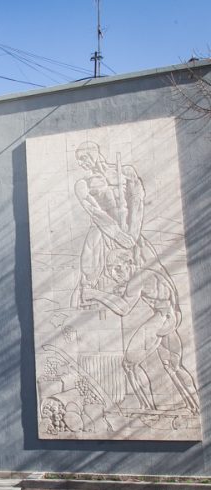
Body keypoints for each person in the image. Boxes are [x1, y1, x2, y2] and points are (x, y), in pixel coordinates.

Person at [82, 249, 199, 415]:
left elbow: (124, 308)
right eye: (111, 271)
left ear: (129, 263)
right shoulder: (149, 273)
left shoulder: (137, 279)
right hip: (170, 316)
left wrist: (95, 294)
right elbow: (164, 296)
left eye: (117, 268)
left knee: (129, 364)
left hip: (162, 318)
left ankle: (148, 408)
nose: (114, 274)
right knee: (174, 366)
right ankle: (194, 406)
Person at [73, 141, 150, 307]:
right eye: (78, 160)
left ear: (94, 153)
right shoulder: (82, 184)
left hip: (130, 229)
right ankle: (87, 293)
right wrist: (116, 234)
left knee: (148, 260)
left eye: (83, 157)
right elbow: (94, 210)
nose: (80, 163)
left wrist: (132, 233)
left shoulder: (126, 171)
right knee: (90, 256)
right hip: (104, 229)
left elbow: (137, 201)